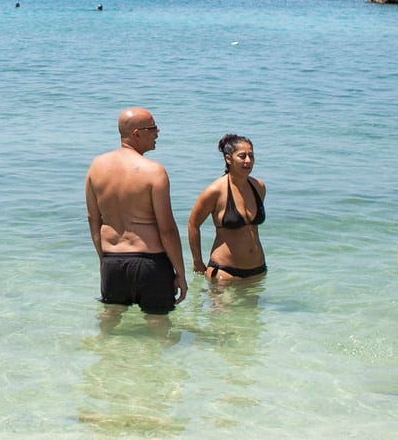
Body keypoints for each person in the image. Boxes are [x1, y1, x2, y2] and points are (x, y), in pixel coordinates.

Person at [85, 108, 187, 317]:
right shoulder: (154, 171)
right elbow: (167, 229)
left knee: (109, 326)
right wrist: (181, 273)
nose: (158, 132)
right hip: (150, 264)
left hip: (112, 262)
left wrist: (104, 261)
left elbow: (93, 220)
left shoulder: (96, 167)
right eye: (153, 127)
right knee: (159, 331)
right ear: (137, 134)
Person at [188, 134, 267, 284]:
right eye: (242, 156)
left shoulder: (259, 187)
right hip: (225, 272)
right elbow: (193, 224)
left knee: (253, 309)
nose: (248, 161)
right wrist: (197, 261)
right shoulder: (215, 191)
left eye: (251, 156)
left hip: (258, 271)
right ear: (228, 159)